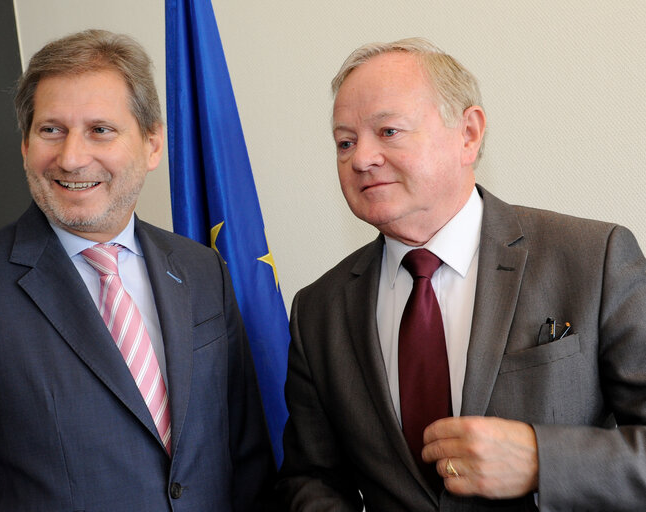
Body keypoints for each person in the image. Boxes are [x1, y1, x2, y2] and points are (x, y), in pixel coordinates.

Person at [0, 29, 274, 511]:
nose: (71, 158)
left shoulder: (201, 271)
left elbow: (246, 460)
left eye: (100, 130)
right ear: (25, 145)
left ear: (153, 144)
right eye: (51, 129)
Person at [276, 37, 646, 511]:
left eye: (387, 131)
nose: (360, 158)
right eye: (345, 142)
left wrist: (541, 460)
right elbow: (310, 479)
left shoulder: (593, 259)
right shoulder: (318, 310)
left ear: (468, 134)